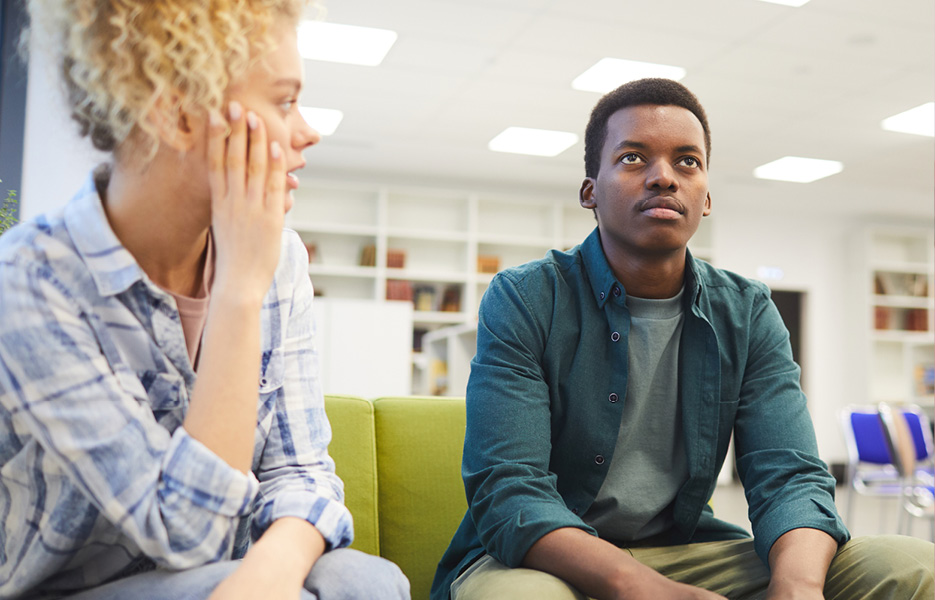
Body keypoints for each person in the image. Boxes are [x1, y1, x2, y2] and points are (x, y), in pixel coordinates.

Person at [432, 78, 935, 600]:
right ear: (590, 191)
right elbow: (510, 490)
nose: (663, 178)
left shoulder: (747, 311)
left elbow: (789, 476)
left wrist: (799, 587)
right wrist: (639, 587)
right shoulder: (526, 298)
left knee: (911, 566)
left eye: (687, 162)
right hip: (550, 555)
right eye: (632, 158)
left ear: (707, 197)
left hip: (691, 550)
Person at [0, 1, 409, 599]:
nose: (307, 131)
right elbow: (186, 533)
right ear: (177, 114)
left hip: (224, 575)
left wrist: (269, 574)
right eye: (284, 101)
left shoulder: (281, 257)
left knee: (364, 577)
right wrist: (240, 288)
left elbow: (303, 472)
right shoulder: (30, 281)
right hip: (70, 587)